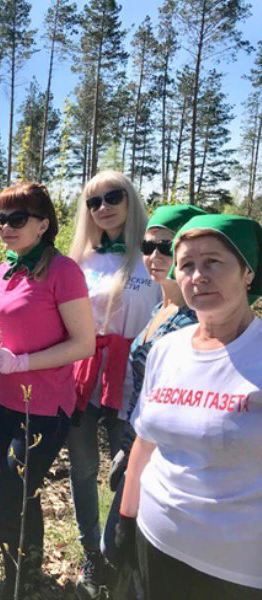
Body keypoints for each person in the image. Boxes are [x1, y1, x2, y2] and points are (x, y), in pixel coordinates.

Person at [117, 214, 262, 600]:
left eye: (213, 262)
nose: (198, 275)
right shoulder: (167, 350)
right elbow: (145, 444)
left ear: (248, 273)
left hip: (237, 571)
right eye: (187, 265)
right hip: (155, 543)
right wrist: (125, 519)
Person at [0, 182, 95, 598]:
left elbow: (84, 343)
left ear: (43, 224)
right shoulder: (3, 268)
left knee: (6, 499)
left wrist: (21, 363)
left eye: (16, 218)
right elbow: (2, 325)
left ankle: (16, 585)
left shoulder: (63, 271)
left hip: (42, 407)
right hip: (2, 401)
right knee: (24, 494)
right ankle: (25, 576)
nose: (5, 227)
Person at [100, 204, 205, 599]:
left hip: (164, 459)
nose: (154, 256)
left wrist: (134, 455)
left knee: (133, 554)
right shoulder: (161, 308)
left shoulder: (196, 320)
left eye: (167, 247)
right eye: (148, 245)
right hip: (135, 443)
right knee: (119, 548)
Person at [66, 171, 160, 599]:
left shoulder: (153, 257)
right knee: (83, 467)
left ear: (130, 198)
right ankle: (91, 550)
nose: (103, 206)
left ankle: (116, 546)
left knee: (129, 466)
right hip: (85, 375)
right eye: (93, 201)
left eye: (112, 196)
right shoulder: (79, 260)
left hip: (135, 377)